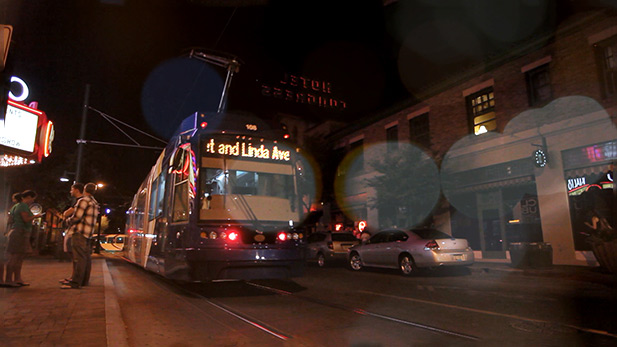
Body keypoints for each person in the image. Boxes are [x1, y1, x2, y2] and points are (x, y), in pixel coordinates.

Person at [61, 182, 99, 289]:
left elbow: (76, 217)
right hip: (88, 233)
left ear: (84, 190)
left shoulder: (83, 201)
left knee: (79, 258)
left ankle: (76, 282)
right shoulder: (94, 202)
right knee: (86, 258)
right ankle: (83, 281)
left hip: (80, 232)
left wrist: (67, 221)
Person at [5, 190, 42, 286]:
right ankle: (9, 279)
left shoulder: (16, 206)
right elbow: (26, 219)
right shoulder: (23, 206)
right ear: (29, 197)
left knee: (18, 256)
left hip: (16, 231)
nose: (32, 201)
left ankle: (17, 279)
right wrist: (35, 216)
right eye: (32, 199)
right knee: (15, 257)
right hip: (20, 232)